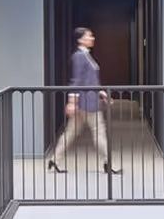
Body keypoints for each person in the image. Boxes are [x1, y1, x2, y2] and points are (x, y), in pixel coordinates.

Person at [48, 27, 120, 174]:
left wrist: (101, 93)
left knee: (70, 133)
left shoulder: (86, 55)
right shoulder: (79, 56)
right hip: (87, 103)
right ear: (80, 40)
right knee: (99, 131)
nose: (92, 38)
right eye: (89, 36)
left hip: (87, 101)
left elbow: (89, 81)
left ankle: (54, 160)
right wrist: (71, 102)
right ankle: (108, 162)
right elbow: (76, 81)